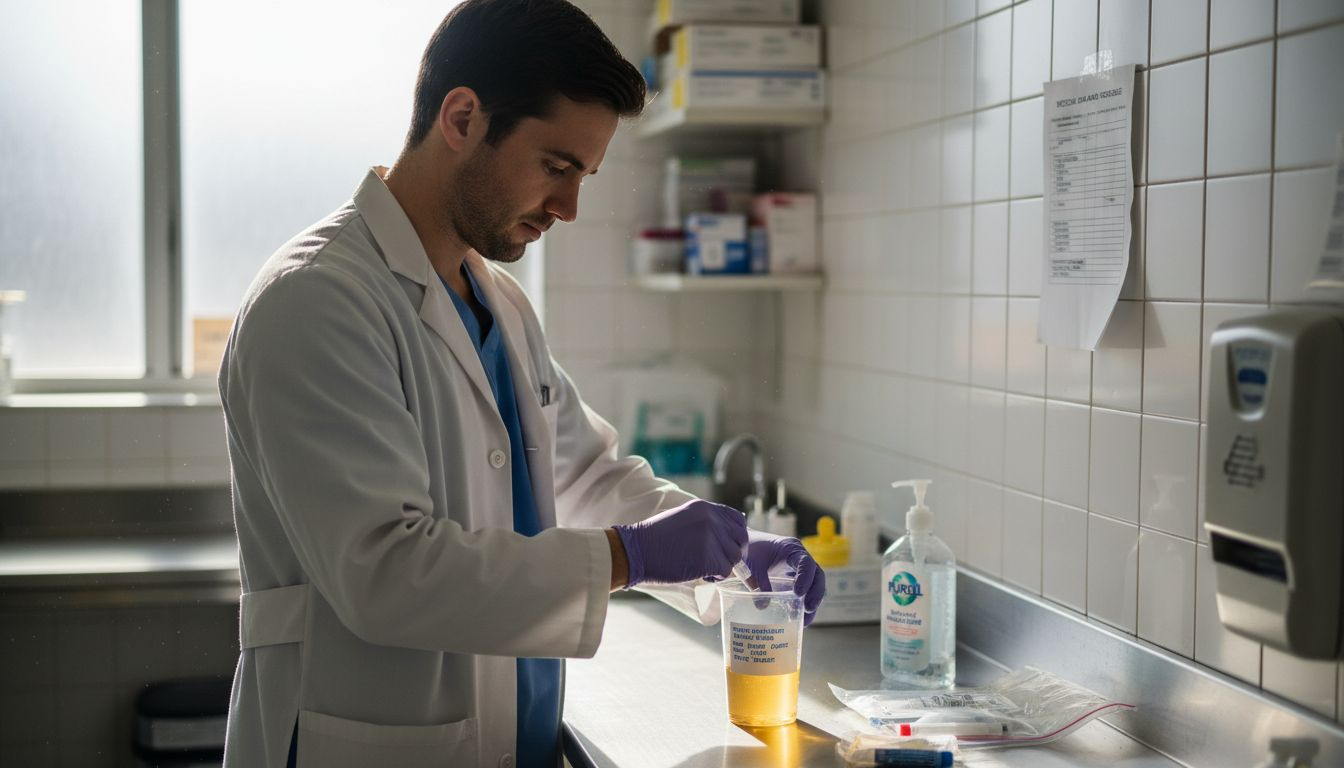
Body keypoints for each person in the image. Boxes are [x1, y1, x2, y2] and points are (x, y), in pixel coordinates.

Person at [218, 1, 825, 766]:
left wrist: (734, 552)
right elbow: (385, 574)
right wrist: (628, 558)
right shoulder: (317, 299)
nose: (569, 209)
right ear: (464, 117)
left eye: (584, 176)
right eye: (557, 167)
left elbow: (585, 476)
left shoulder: (495, 299)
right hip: (370, 741)